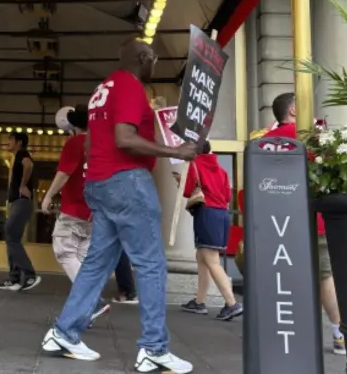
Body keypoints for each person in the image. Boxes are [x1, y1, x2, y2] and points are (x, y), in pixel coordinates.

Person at [40, 38, 197, 373]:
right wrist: (176, 152)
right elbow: (124, 139)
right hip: (127, 183)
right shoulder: (129, 86)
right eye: (153, 58)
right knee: (151, 264)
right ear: (143, 58)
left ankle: (65, 332)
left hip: (100, 182)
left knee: (97, 262)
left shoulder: (104, 89)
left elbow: (91, 145)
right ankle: (154, 347)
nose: (155, 64)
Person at [260, 92, 346, 356]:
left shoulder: (265, 141)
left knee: (288, 276)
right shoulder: (310, 134)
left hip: (280, 221)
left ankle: (290, 332)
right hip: (315, 219)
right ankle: (339, 332)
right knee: (325, 276)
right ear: (295, 110)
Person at [40, 104, 133, 326]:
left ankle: (93, 303)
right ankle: (83, 311)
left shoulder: (75, 143)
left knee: (64, 250)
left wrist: (48, 196)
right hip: (95, 211)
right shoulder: (104, 144)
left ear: (73, 124)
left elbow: (64, 173)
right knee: (81, 259)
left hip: (74, 208)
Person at [177, 141, 243, 321]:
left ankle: (231, 304)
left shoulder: (195, 165)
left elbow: (189, 190)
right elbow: (228, 195)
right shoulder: (221, 170)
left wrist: (180, 182)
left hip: (207, 213)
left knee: (211, 260)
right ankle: (199, 301)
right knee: (202, 257)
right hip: (222, 214)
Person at [0, 132, 40, 292]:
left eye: (11, 139)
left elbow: (28, 165)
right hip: (17, 203)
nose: (8, 141)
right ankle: (14, 278)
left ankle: (29, 275)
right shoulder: (17, 156)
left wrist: (22, 185)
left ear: (19, 142)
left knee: (10, 233)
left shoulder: (23, 153)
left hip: (22, 202)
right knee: (11, 237)